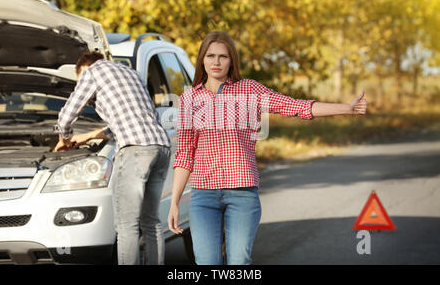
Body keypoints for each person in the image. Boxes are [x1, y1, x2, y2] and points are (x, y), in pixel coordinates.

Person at [167, 31, 367, 265]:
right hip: (203, 195)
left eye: (223, 56)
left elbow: (293, 106)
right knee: (206, 262)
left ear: (232, 60)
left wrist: (346, 108)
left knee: (239, 262)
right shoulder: (189, 99)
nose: (216, 62)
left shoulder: (250, 90)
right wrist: (174, 202)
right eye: (210, 56)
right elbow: (185, 154)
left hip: (241, 194)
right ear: (202, 59)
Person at [54, 51, 171, 265]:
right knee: (151, 221)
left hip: (135, 150)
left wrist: (65, 137)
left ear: (84, 69)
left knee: (126, 225)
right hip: (160, 147)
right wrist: (88, 136)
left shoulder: (93, 72)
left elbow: (67, 114)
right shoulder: (131, 73)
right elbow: (137, 118)